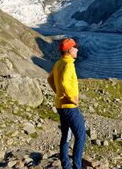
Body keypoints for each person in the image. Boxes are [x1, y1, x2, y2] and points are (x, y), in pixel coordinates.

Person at [48, 38, 86, 169]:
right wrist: (72, 97)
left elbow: (50, 79)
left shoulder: (59, 63)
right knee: (81, 136)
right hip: (70, 106)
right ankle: (77, 166)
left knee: (66, 136)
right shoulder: (69, 64)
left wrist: (58, 93)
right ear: (69, 50)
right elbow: (64, 82)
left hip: (60, 105)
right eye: (75, 47)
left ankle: (66, 165)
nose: (77, 49)